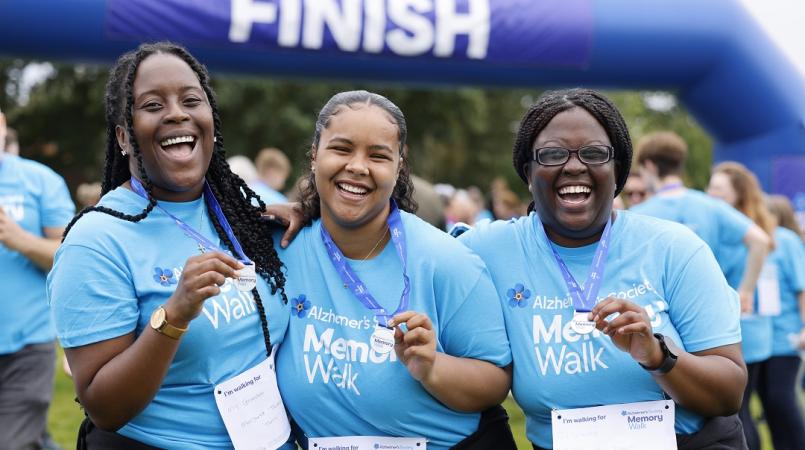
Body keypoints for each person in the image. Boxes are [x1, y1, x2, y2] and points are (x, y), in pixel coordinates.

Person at [458, 88, 747, 449]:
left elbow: (729, 392)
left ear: (618, 170)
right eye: (552, 154)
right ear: (528, 173)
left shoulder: (673, 247)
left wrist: (657, 355)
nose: (575, 166)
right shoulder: (488, 249)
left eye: (595, 153)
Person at [47, 42, 292, 449]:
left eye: (191, 100)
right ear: (125, 136)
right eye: (153, 105)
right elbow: (104, 407)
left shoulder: (242, 217)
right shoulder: (96, 242)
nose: (177, 113)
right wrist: (174, 314)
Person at [274, 90, 515, 449]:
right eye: (341, 149)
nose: (357, 166)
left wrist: (432, 368)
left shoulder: (445, 260)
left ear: (399, 167)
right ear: (314, 156)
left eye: (377, 155)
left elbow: (497, 380)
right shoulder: (281, 248)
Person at [0, 107, 75, 448]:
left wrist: (18, 239)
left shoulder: (39, 181)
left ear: (3, 129)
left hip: (26, 344)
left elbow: (71, 260)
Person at [632, 131, 771, 315]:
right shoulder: (711, 205)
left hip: (661, 314)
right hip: (708, 312)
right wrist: (746, 292)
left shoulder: (638, 215)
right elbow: (760, 240)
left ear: (649, 166)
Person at [706, 162, 782, 450]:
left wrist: (744, 293)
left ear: (736, 195)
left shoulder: (734, 237)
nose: (709, 193)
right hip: (757, 334)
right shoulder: (755, 229)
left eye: (717, 188)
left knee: (736, 414)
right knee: (746, 408)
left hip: (738, 332)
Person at [761, 194, 805, 450]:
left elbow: (802, 288)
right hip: (761, 338)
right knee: (769, 403)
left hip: (786, 338)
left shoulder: (786, 242)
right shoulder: (753, 241)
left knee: (781, 399)